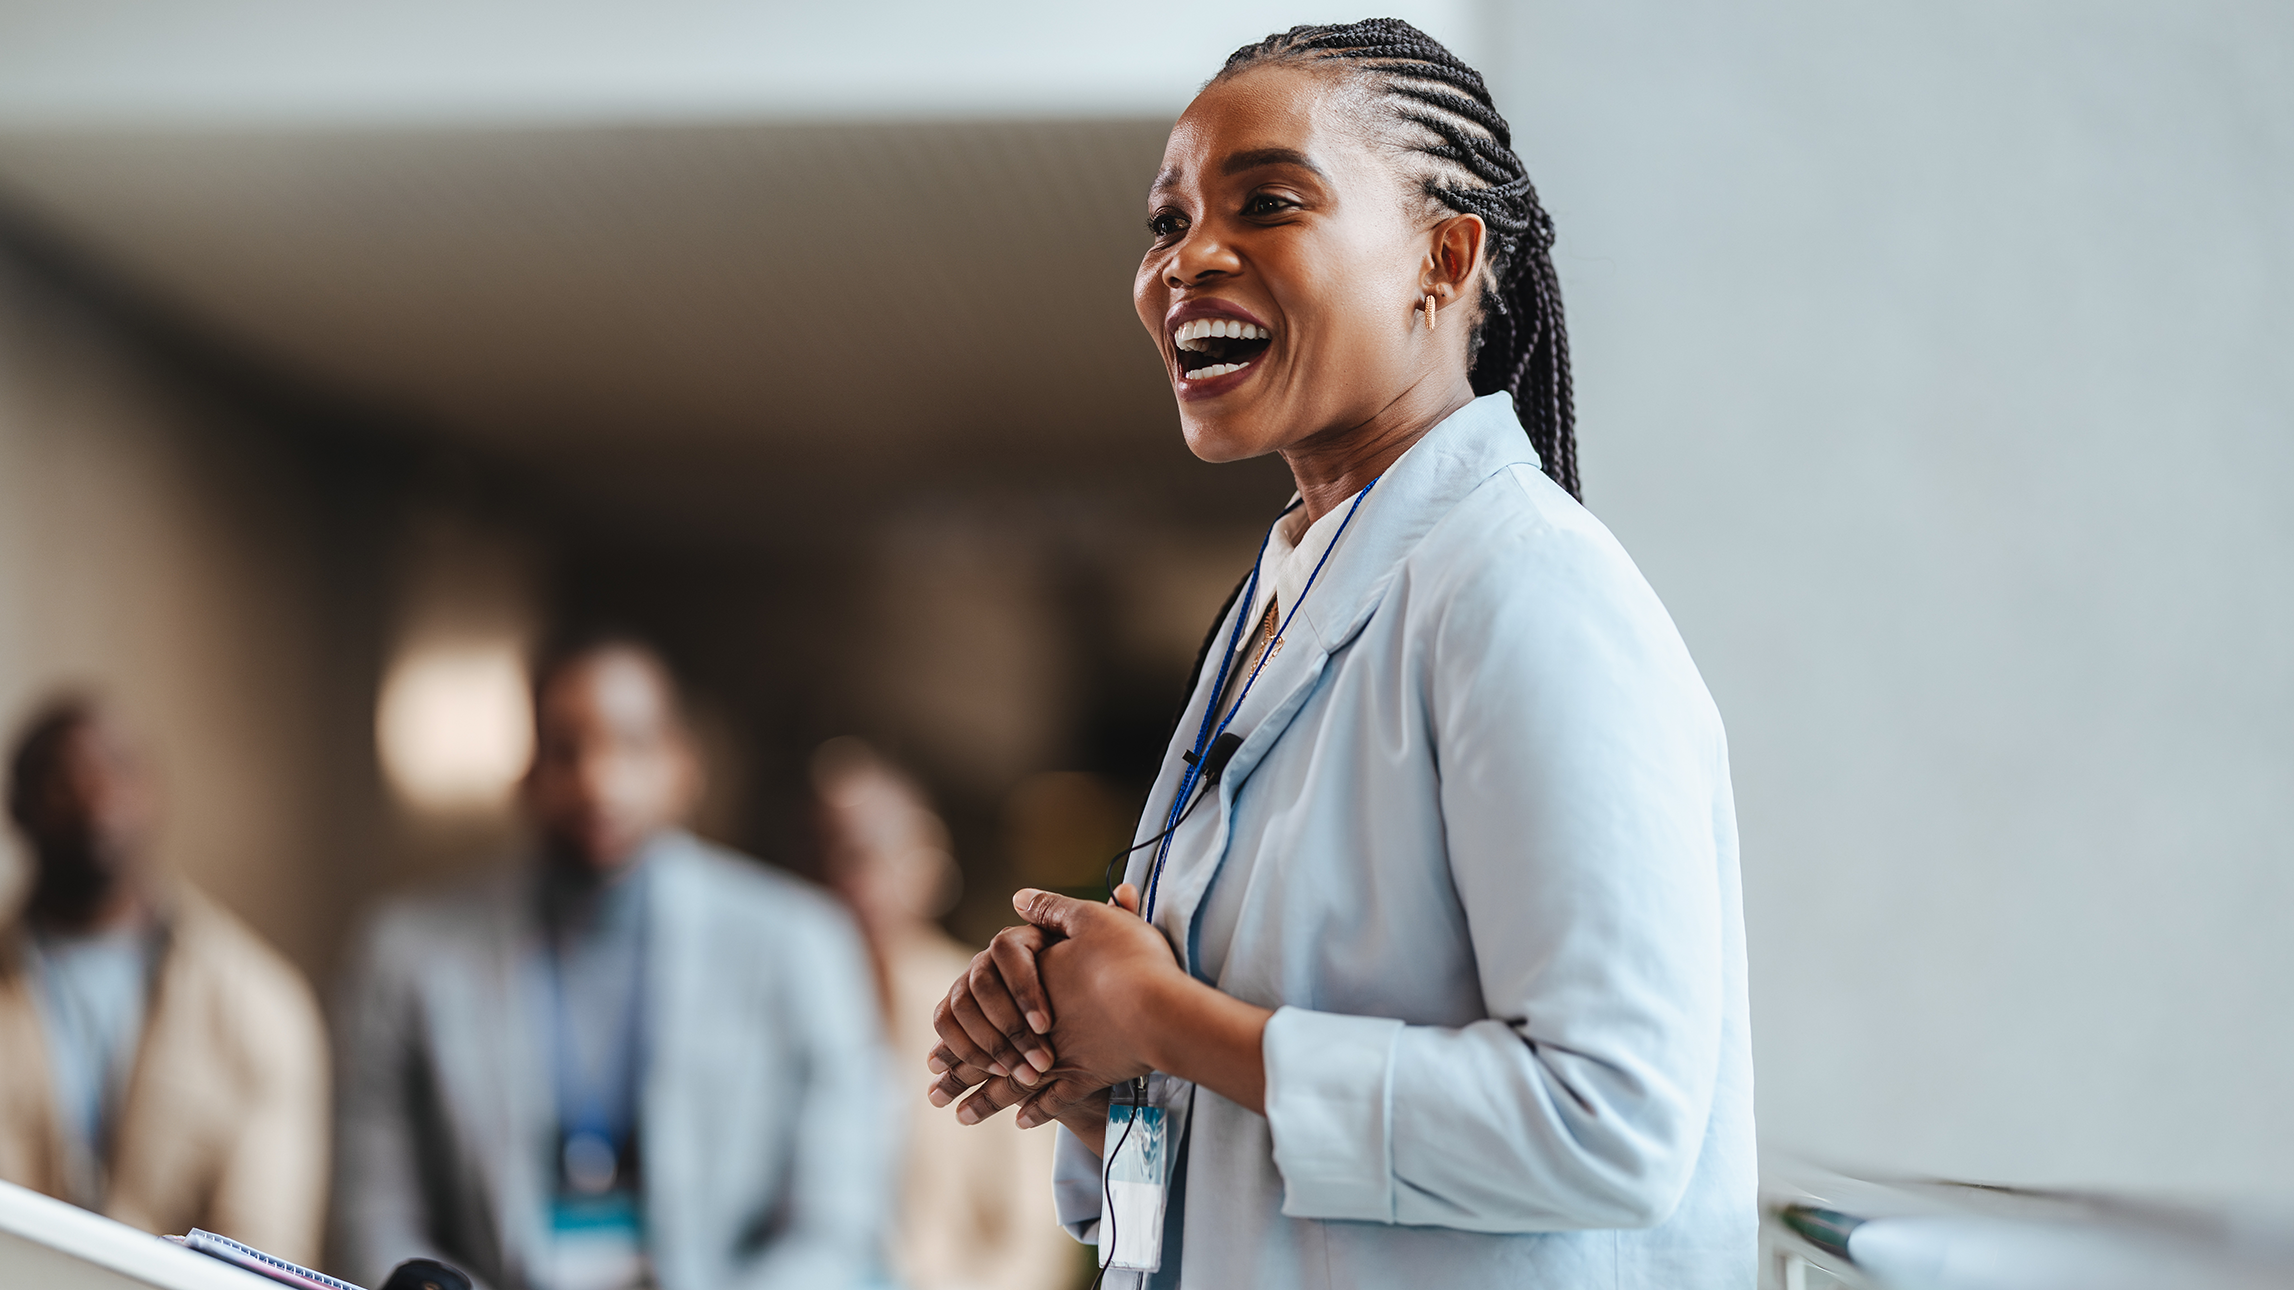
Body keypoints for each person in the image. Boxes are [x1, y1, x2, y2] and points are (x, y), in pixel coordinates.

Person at [926, 20, 1753, 1289]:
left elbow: (1608, 1125)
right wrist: (1093, 1054)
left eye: (1267, 203)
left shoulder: (1525, 589)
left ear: (1441, 256)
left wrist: (1164, 1016)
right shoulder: (1284, 601)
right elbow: (1260, 1124)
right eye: (1165, 223)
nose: (1187, 259)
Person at [334, 636, 893, 1290]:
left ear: (684, 767)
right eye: (565, 750)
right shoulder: (407, 954)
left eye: (632, 745)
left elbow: (837, 1227)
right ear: (527, 774)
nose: (597, 780)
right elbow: (376, 1216)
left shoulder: (801, 945)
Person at [0, 698, 329, 1261]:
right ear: (18, 808)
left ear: (155, 794)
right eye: (60, 778)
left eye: (115, 770)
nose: (92, 797)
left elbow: (263, 1252)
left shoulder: (261, 1004)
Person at [811, 740, 1070, 1290]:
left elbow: (1035, 1237)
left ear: (927, 865)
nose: (846, 883)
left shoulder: (985, 1010)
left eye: (864, 856)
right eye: (824, 857)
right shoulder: (784, 1011)